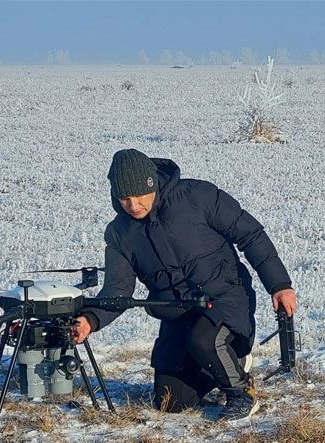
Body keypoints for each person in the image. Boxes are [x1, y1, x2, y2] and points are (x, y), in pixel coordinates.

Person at [74, 149, 297, 420]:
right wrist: (90, 319)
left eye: (139, 196)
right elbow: (117, 290)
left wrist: (279, 284)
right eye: (124, 199)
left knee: (204, 340)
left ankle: (241, 393)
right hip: (178, 315)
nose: (133, 206)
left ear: (152, 183)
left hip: (225, 297)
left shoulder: (197, 196)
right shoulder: (120, 233)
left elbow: (250, 234)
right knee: (170, 402)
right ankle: (229, 364)